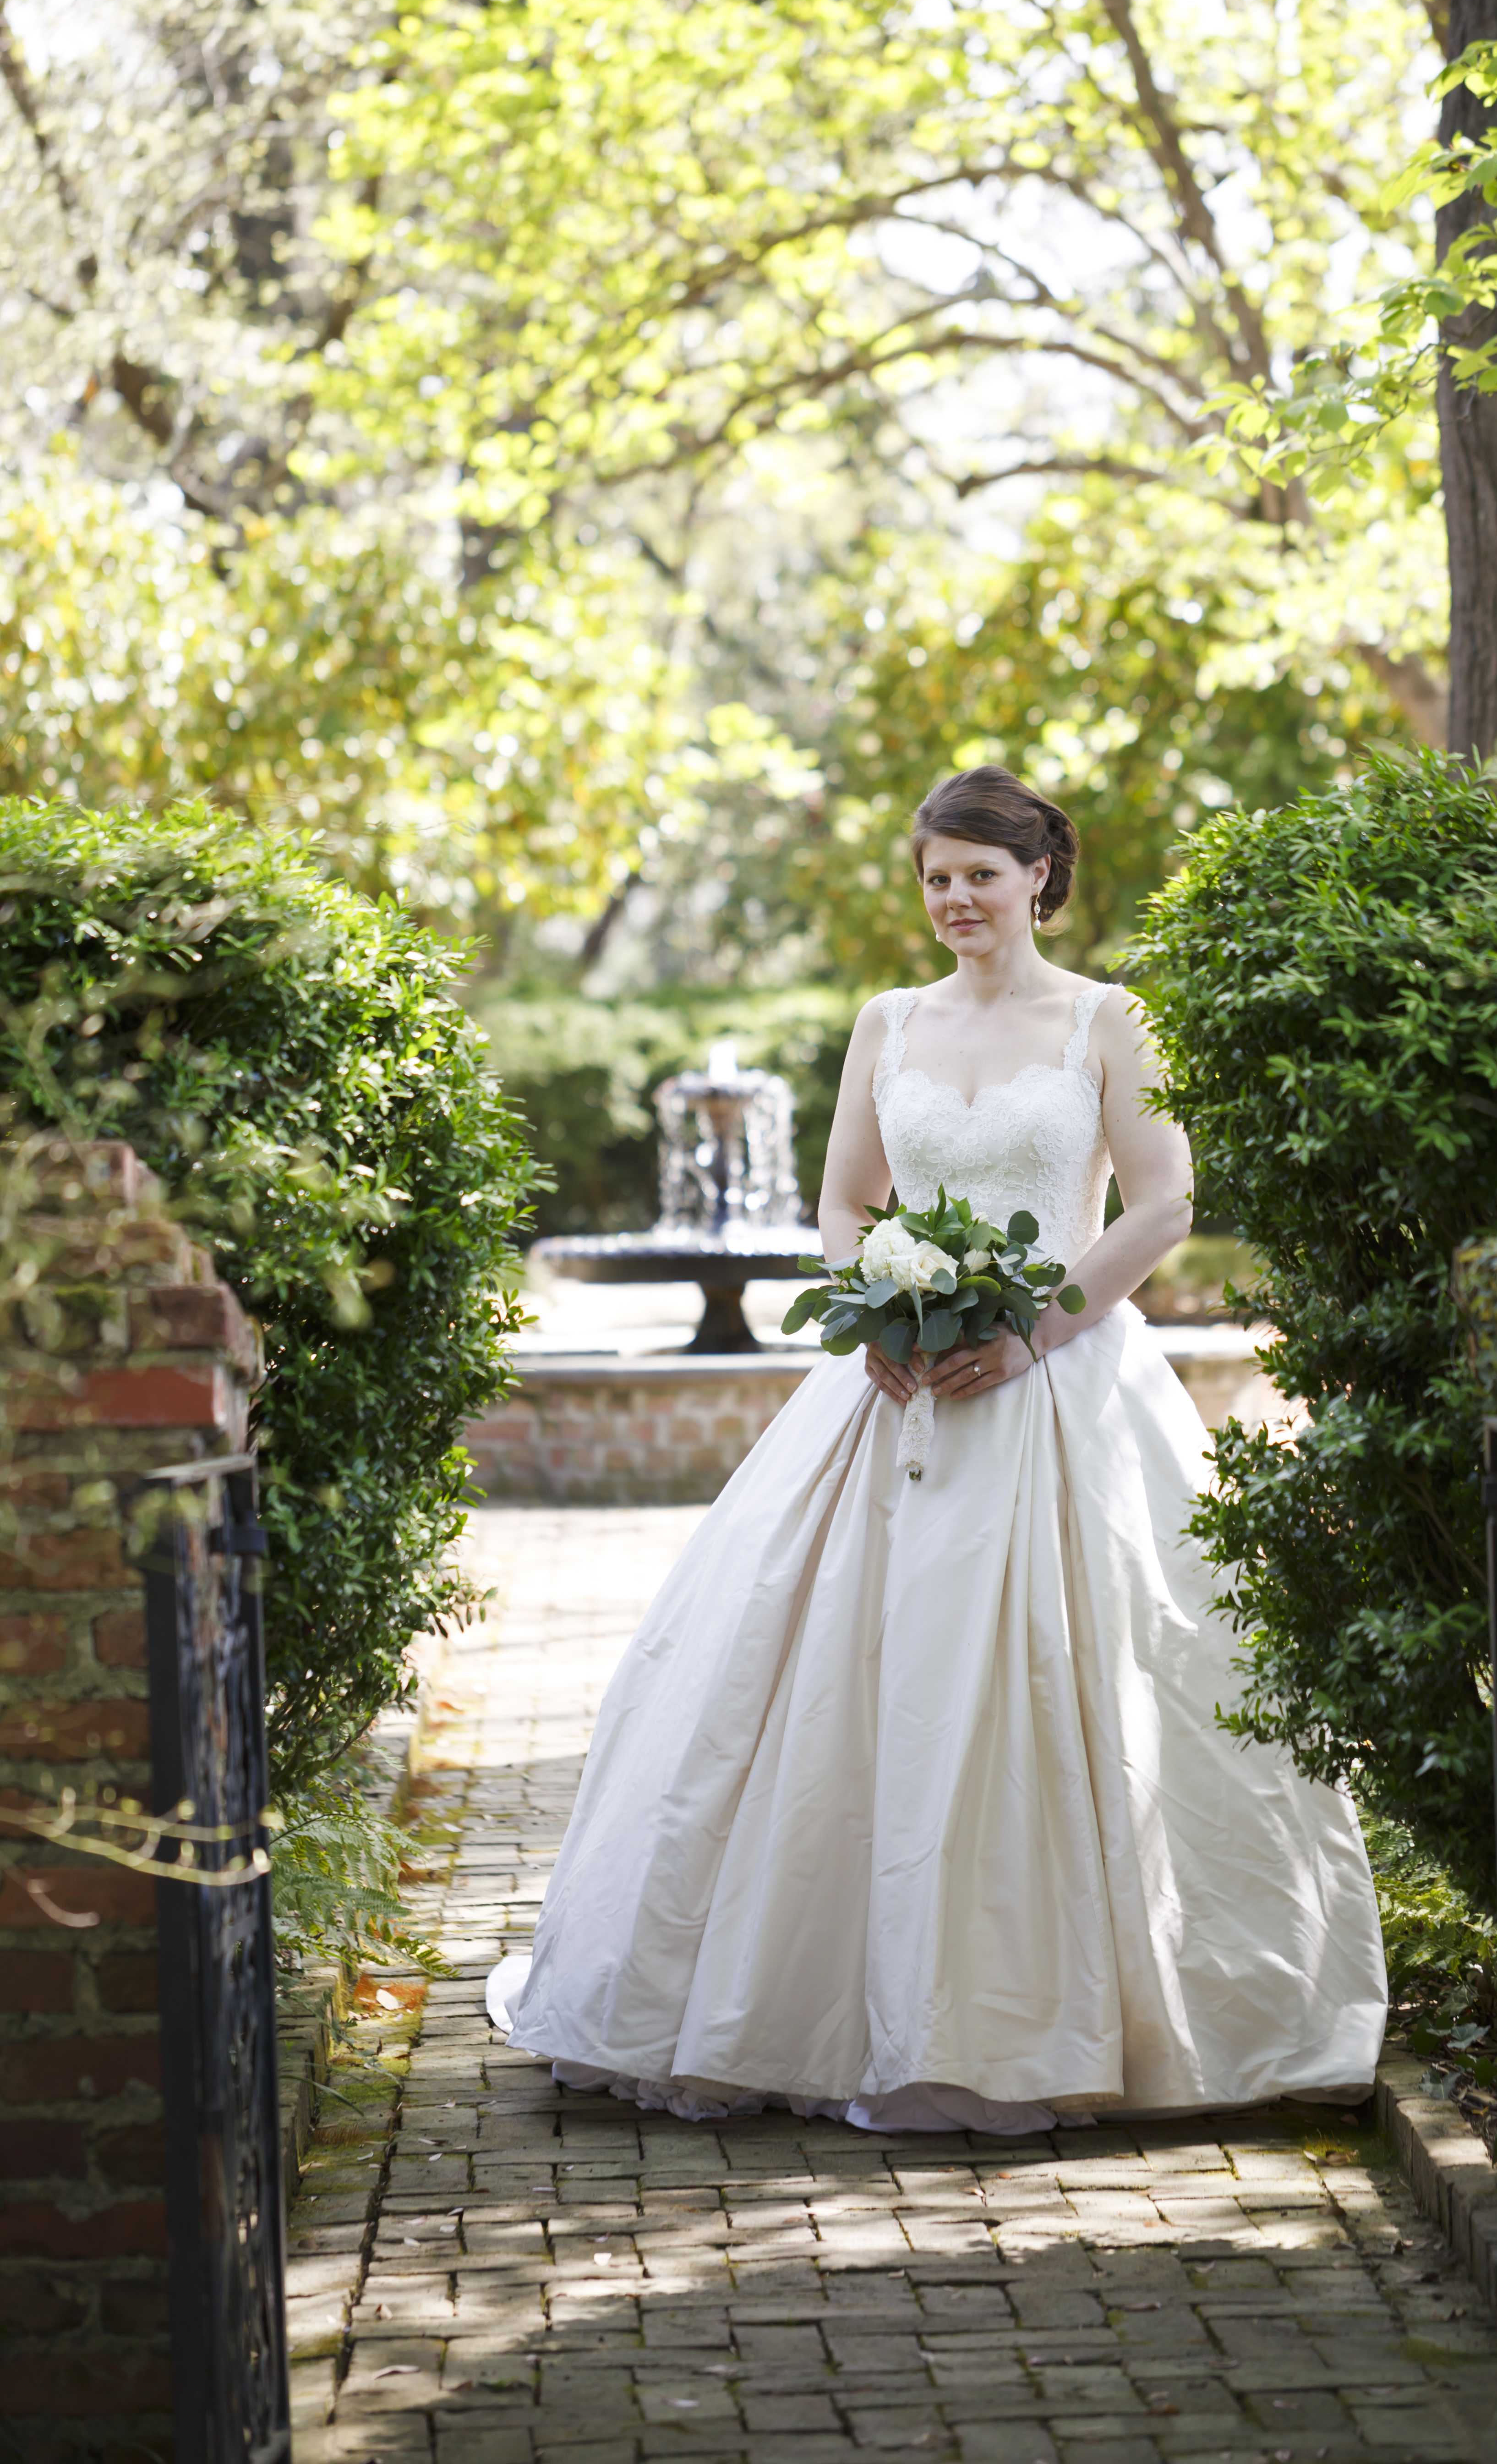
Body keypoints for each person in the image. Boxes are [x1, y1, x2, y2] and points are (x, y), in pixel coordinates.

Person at [487, 766, 1387, 2132]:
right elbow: (847, 1198)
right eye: (934, 878)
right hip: (896, 1387)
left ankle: (1062, 2016)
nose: (955, 899)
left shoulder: (1108, 1018)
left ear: (1040, 875)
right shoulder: (886, 1023)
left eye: (979, 873)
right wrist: (873, 1312)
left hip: (1059, 1382)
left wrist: (1037, 1330)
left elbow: (1163, 1204)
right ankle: (823, 2009)